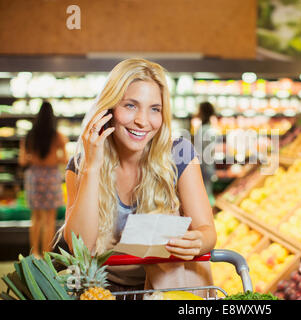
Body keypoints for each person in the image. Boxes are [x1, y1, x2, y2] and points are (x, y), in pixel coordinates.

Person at [58, 58, 216, 295]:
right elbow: (82, 247)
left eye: (155, 109)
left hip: (167, 289)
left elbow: (208, 230)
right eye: (130, 105)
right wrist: (92, 166)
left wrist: (198, 241)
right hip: (103, 292)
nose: (143, 121)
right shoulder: (81, 165)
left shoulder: (179, 154)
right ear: (107, 110)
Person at [18, 101, 68, 258]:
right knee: (49, 220)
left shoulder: (29, 136)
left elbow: (22, 161)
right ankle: (47, 255)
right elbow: (65, 159)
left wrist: (35, 159)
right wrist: (52, 160)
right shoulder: (58, 136)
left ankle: (35, 254)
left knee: (36, 219)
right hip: (51, 177)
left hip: (34, 177)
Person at [193, 102, 218, 205]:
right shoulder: (205, 129)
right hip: (203, 166)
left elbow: (209, 152)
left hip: (204, 167)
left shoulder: (206, 130)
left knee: (205, 194)